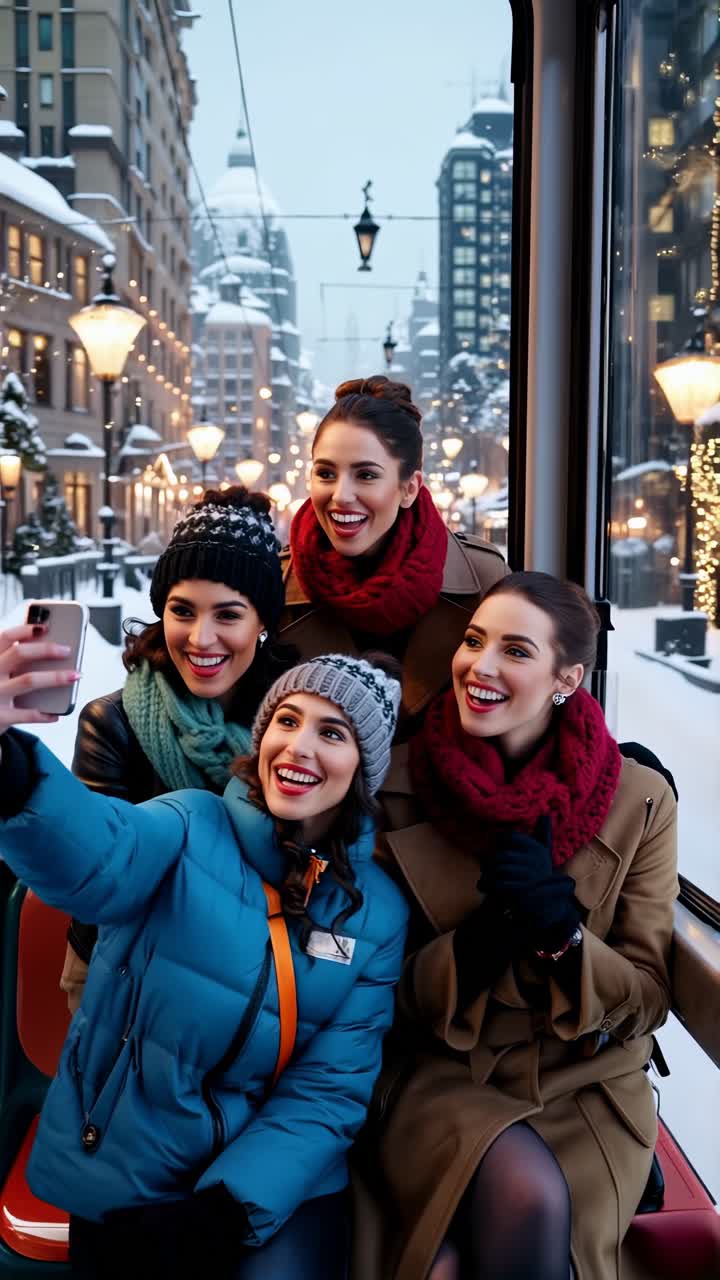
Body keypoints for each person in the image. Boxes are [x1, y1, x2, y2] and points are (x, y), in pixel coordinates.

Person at [0, 635, 408, 1280]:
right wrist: (11, 770)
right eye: (287, 720)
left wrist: (226, 1209)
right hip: (128, 1164)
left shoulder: (376, 913)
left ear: (364, 768)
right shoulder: (188, 827)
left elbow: (329, 1089)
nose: (299, 746)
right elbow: (94, 853)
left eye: (333, 733)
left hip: (264, 1182)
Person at [366, 571, 678, 1280]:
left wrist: (561, 938)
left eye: (515, 651)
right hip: (439, 1077)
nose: (481, 666)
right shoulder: (395, 785)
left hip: (585, 1082)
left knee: (474, 1249)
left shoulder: (640, 799)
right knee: (509, 1213)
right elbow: (373, 988)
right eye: (474, 641)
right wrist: (478, 947)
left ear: (567, 678)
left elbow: (648, 994)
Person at [61, 484, 291, 1014]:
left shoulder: (291, 724)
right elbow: (97, 878)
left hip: (267, 970)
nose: (200, 638)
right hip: (124, 965)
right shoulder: (112, 723)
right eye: (181, 611)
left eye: (228, 615)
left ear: (263, 624)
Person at [281, 375, 507, 737]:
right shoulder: (277, 585)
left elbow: (534, 697)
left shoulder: (483, 579)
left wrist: (559, 699)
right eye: (325, 473)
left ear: (409, 488)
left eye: (366, 475)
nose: (340, 495)